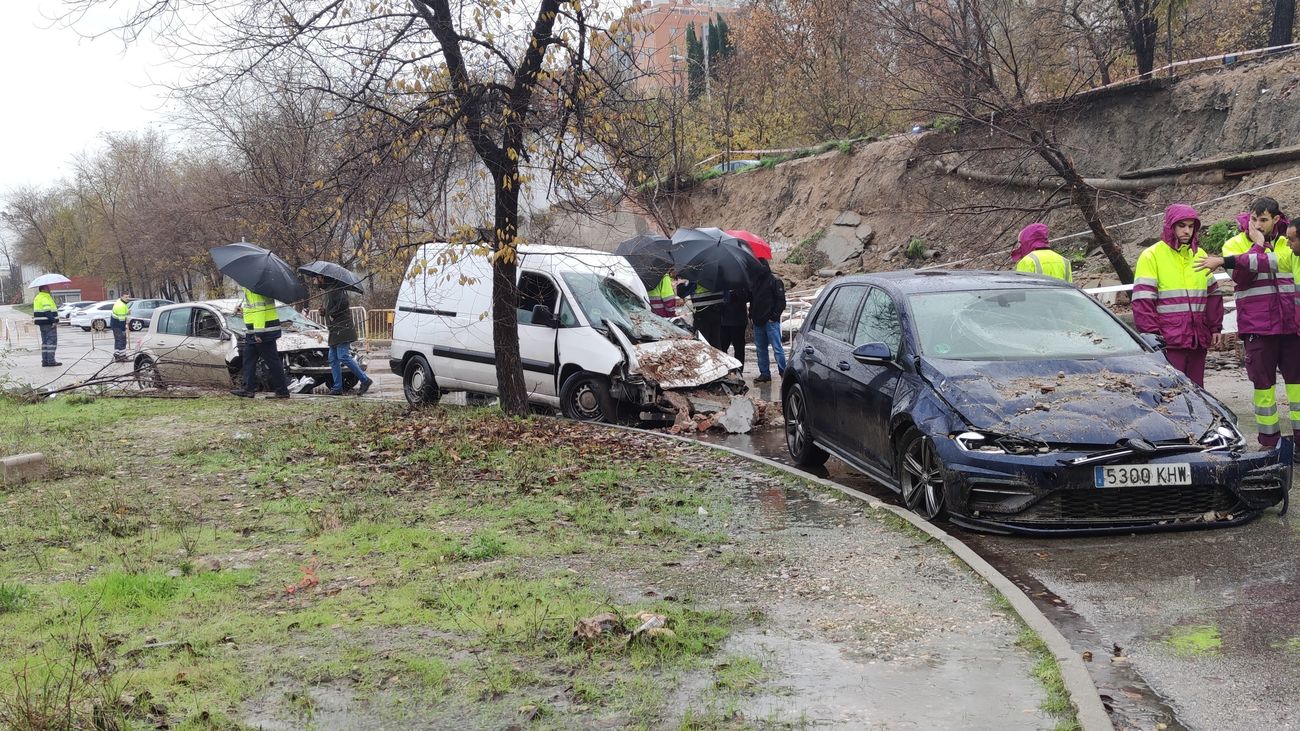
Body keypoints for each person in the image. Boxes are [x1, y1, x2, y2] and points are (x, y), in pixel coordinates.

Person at [1196, 197, 1298, 447]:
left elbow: (1278, 264)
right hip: (1258, 328)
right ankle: (1269, 443)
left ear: (1275, 219)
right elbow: (1241, 277)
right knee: (1263, 390)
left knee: (1297, 389)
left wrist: (1263, 249)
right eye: (1254, 219)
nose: (1257, 224)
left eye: (1263, 220)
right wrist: (1258, 245)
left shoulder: (1288, 243)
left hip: (1291, 327)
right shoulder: (1234, 244)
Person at [1132, 204, 1223, 387]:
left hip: (1197, 338)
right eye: (1182, 226)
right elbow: (1143, 302)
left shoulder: (1200, 254)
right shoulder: (1152, 256)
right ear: (1170, 226)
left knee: (1198, 391)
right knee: (1172, 393)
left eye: (1191, 226)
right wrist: (1152, 338)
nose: (1187, 231)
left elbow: (1213, 294)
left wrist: (1215, 327)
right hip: (1168, 341)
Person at [230, 287, 291, 398]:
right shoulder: (252, 290)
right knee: (249, 360)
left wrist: (258, 333)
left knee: (272, 362)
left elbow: (260, 312)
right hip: (255, 332)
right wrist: (242, 311)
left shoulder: (254, 291)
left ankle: (282, 391)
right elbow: (255, 311)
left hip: (262, 333)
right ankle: (248, 389)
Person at [317, 277, 373, 396]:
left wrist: (331, 312)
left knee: (342, 356)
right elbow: (330, 309)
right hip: (335, 330)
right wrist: (323, 311)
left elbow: (343, 304)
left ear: (324, 278)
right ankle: (337, 387)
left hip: (343, 329)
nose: (316, 281)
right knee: (333, 358)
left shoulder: (337, 289)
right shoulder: (328, 291)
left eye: (318, 278)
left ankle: (365, 380)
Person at [748, 259, 787, 382]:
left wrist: (774, 317)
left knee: (777, 349)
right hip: (758, 321)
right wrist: (752, 315)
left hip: (770, 322)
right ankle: (765, 373)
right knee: (761, 349)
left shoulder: (775, 281)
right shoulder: (756, 282)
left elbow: (781, 301)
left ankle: (783, 372)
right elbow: (753, 300)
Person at [680, 282, 724, 348]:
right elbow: (727, 297)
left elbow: (682, 293)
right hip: (717, 312)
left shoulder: (697, 279)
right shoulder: (719, 278)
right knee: (715, 341)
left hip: (702, 315)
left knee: (702, 343)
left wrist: (681, 284)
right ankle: (717, 357)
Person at [719, 288, 749, 370]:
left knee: (739, 348)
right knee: (722, 347)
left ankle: (739, 369)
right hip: (724, 321)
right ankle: (724, 369)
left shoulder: (742, 284)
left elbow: (747, 297)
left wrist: (736, 292)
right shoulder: (722, 283)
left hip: (738, 321)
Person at [32, 285, 60, 367]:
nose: (49, 289)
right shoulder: (45, 297)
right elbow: (47, 311)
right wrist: (53, 321)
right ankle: (51, 361)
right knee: (51, 343)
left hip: (42, 323)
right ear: (43, 289)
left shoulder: (37, 297)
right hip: (49, 323)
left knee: (45, 343)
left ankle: (45, 361)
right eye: (48, 288)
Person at [109, 294, 132, 362]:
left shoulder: (120, 301)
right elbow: (121, 320)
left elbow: (122, 314)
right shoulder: (121, 306)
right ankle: (122, 356)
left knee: (118, 340)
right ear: (121, 297)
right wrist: (123, 330)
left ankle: (117, 355)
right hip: (118, 325)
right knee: (122, 340)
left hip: (115, 324)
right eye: (126, 297)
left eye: (128, 297)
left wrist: (127, 312)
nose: (127, 298)